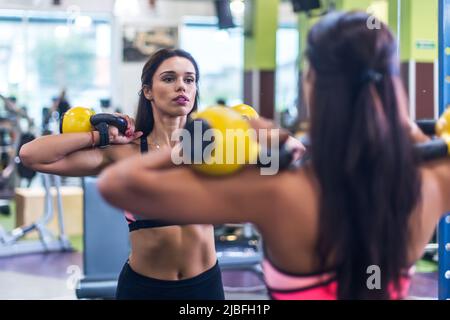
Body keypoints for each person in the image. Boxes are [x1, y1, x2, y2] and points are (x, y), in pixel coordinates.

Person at [97, 11, 450, 300]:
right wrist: (406, 123)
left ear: (312, 84)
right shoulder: (431, 180)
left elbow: (118, 184)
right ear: (391, 84)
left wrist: (192, 143)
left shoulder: (280, 191)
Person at [19, 49, 227, 300]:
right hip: (144, 289)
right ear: (148, 90)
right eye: (169, 78)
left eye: (189, 80)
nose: (181, 87)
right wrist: (98, 136)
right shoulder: (124, 154)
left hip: (204, 288)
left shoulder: (214, 149)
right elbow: (32, 155)